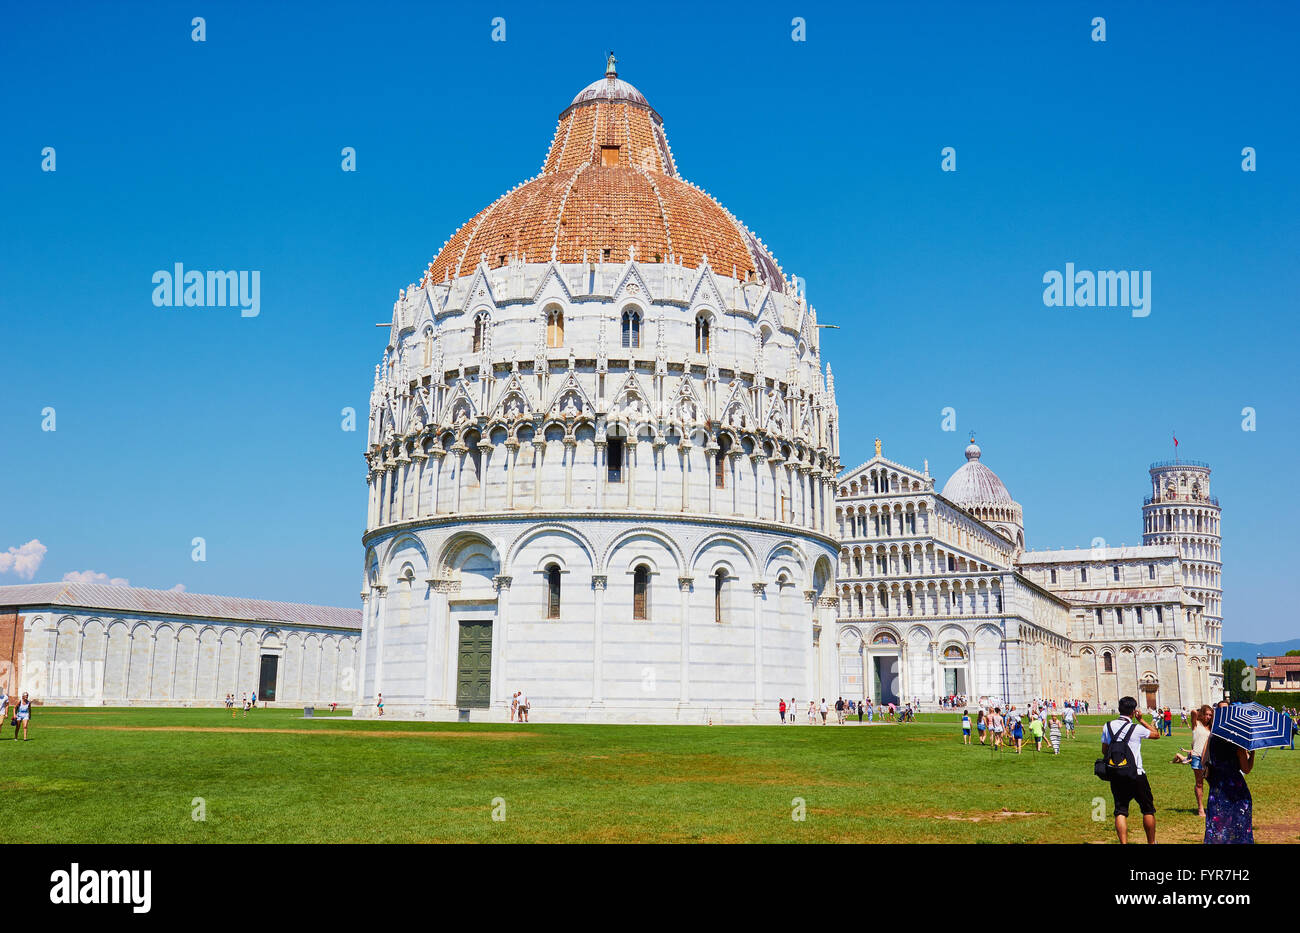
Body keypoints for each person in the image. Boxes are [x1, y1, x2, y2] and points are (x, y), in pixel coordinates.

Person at [1100, 696, 1161, 844]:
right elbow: (1156, 734)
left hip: (1117, 773)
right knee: (1147, 810)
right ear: (1134, 711)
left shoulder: (1107, 726)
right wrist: (1141, 720)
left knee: (1120, 811)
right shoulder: (1137, 728)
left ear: (1119, 709)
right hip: (1137, 774)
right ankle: (1151, 843)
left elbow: (1104, 751)